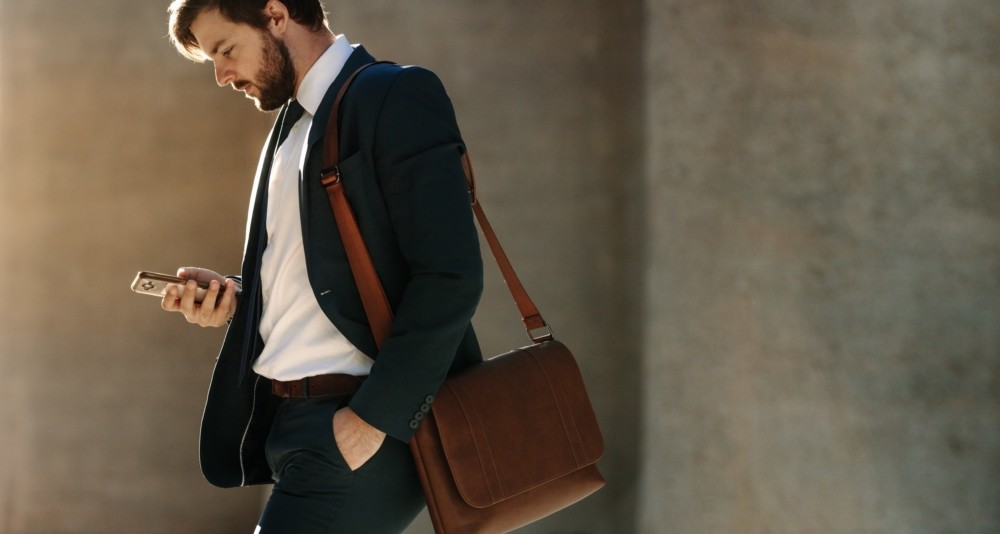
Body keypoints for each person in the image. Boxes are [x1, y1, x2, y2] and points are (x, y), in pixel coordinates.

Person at [161, 1, 484, 531]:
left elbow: (450, 275)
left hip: (359, 420)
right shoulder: (289, 129)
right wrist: (237, 300)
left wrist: (373, 420)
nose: (221, 76)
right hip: (289, 425)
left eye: (226, 51)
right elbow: (328, 279)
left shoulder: (393, 95)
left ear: (275, 14)